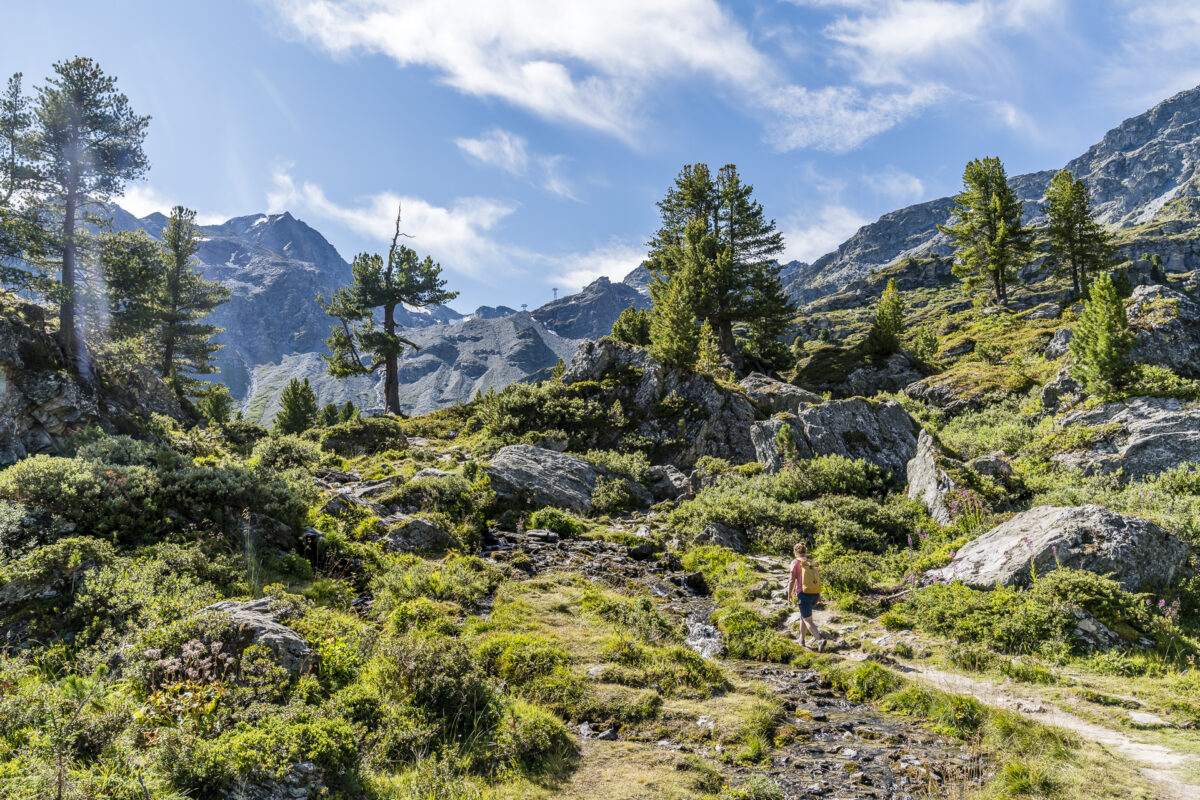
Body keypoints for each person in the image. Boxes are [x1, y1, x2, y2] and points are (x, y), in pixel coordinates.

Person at [786, 542, 825, 650]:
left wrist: (789, 593)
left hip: (804, 594)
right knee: (803, 616)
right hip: (815, 594)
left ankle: (819, 639)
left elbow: (792, 579)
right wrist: (819, 595)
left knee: (807, 619)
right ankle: (801, 640)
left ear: (796, 552)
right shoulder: (809, 563)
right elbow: (815, 581)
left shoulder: (795, 562)